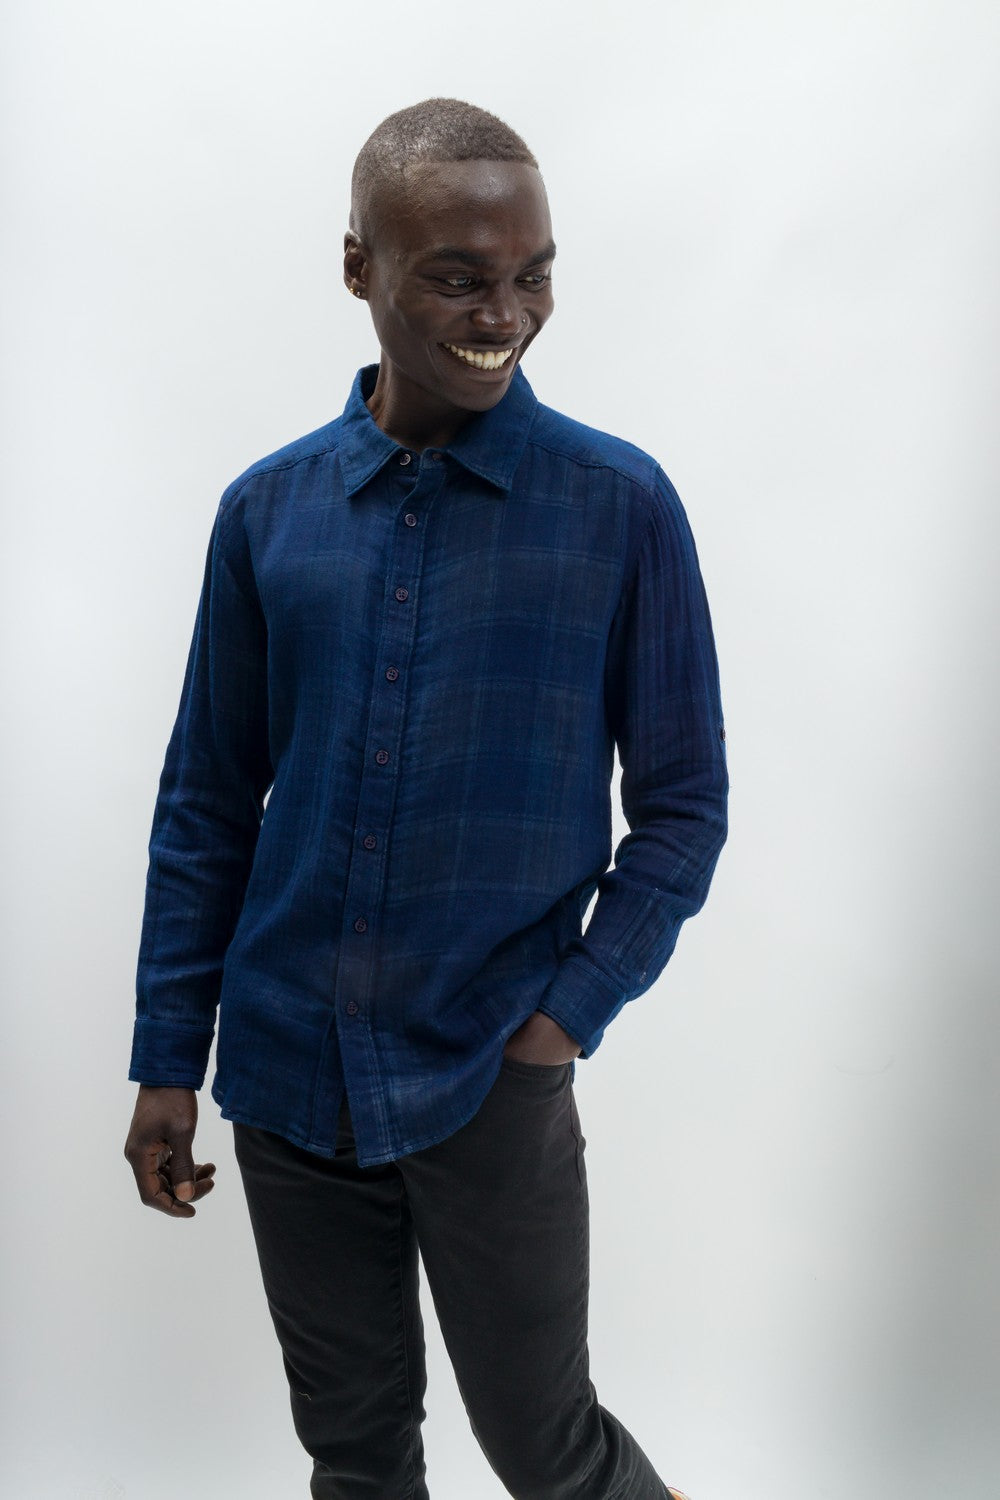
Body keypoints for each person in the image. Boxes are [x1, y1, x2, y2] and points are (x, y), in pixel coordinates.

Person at [124, 97, 727, 1500]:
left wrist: (559, 1022)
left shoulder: (620, 507)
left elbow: (686, 808)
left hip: (488, 1071)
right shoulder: (267, 512)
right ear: (360, 268)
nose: (503, 314)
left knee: (549, 1450)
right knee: (354, 1455)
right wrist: (167, 1057)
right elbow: (206, 800)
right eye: (459, 276)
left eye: (532, 275)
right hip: (287, 1067)